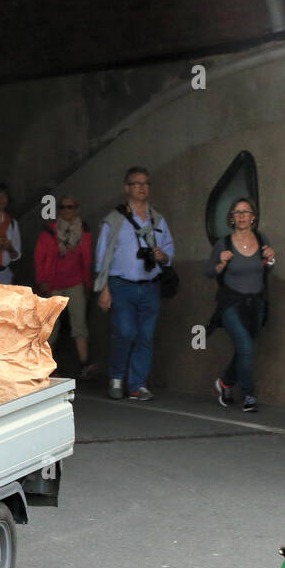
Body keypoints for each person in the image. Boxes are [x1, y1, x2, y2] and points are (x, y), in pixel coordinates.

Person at [93, 166, 175, 400]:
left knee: (145, 336)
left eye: (145, 183)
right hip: (121, 285)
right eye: (136, 183)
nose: (142, 187)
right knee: (125, 332)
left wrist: (163, 256)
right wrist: (104, 289)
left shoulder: (157, 219)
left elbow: (169, 250)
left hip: (150, 285)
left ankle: (137, 384)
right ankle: (117, 376)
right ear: (126, 188)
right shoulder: (113, 220)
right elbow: (102, 258)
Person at [207, 198, 275, 413]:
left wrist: (271, 260)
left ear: (253, 217)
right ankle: (249, 395)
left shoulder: (262, 239)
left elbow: (265, 270)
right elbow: (209, 271)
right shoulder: (223, 243)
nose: (242, 216)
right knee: (245, 347)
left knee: (243, 350)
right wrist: (221, 263)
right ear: (231, 218)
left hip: (256, 304)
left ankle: (225, 383)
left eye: (246, 212)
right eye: (237, 212)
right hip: (231, 303)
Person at [35, 195, 97, 377]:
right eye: (63, 207)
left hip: (75, 282)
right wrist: (42, 281)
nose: (67, 210)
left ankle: (85, 365)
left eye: (71, 207)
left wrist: (88, 282)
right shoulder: (49, 230)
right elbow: (39, 258)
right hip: (53, 283)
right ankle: (46, 368)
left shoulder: (83, 229)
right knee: (51, 327)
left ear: (76, 209)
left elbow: (86, 258)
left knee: (79, 325)